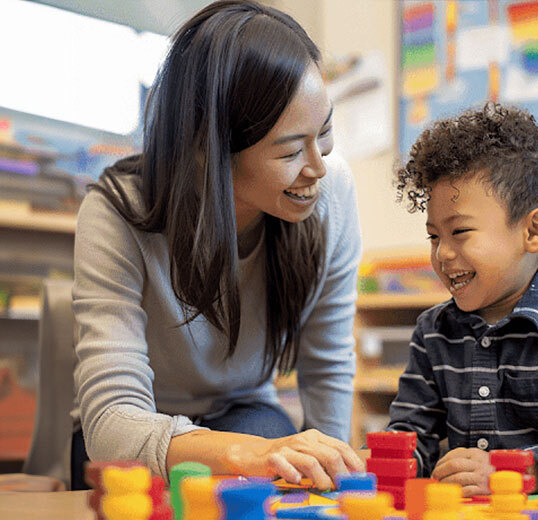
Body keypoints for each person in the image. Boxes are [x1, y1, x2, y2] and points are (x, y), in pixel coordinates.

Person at [70, 0, 364, 491]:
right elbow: (112, 426)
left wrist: (332, 476)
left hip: (244, 415)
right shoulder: (116, 211)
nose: (317, 166)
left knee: (275, 454)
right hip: (138, 432)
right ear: (209, 148)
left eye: (326, 131)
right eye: (291, 150)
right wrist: (246, 454)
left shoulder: (332, 191)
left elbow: (328, 362)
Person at [388, 102, 538, 497]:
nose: (442, 253)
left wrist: (508, 473)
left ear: (533, 230)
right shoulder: (433, 331)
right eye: (434, 236)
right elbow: (413, 436)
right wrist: (379, 460)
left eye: (459, 231)